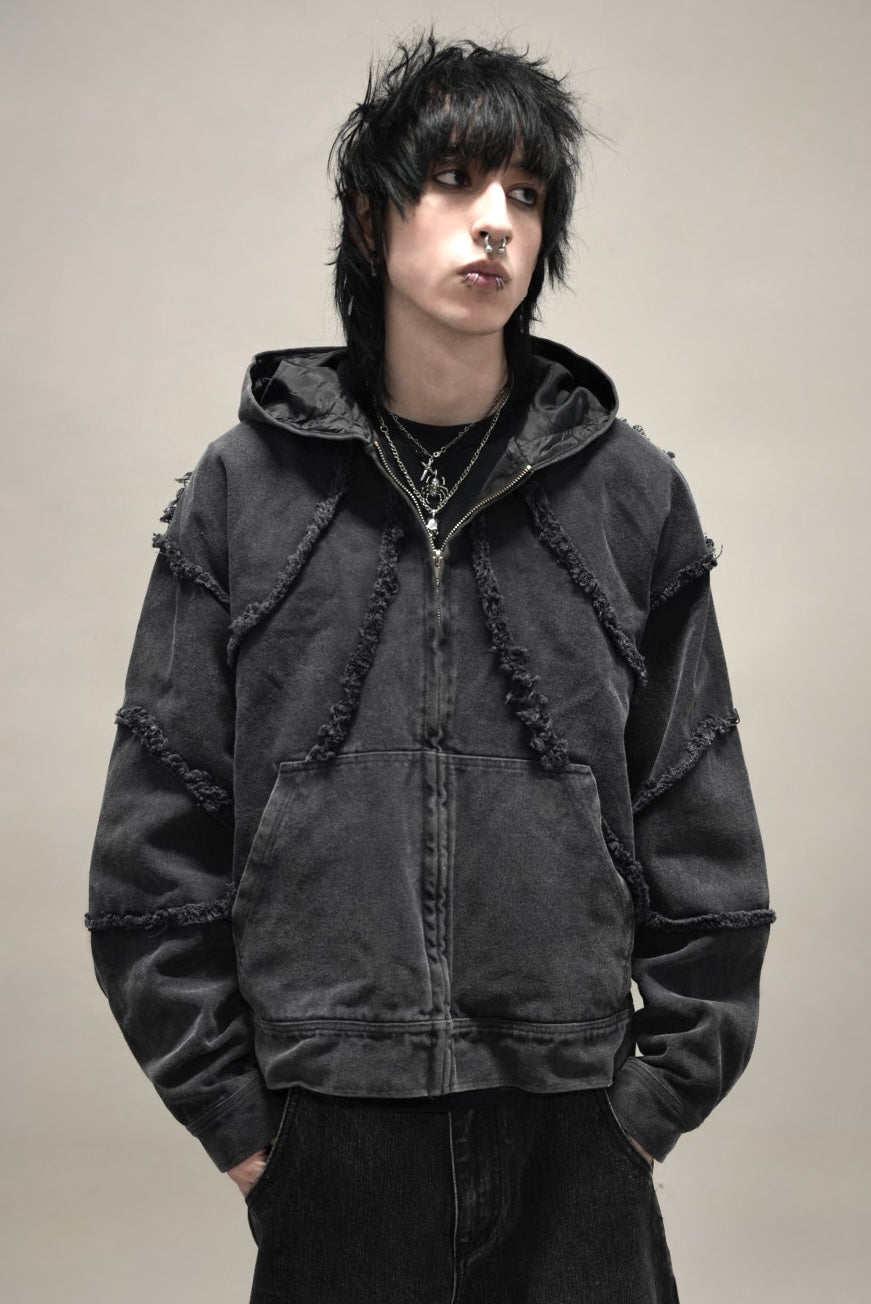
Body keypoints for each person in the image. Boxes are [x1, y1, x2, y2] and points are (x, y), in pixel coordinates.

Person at [85, 31, 775, 1304]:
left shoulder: (629, 494)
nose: (495, 221)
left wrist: (647, 1106)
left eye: (526, 193)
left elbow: (705, 827)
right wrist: (245, 1128)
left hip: (576, 1125)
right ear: (369, 217)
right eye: (455, 180)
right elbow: (149, 849)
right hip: (331, 1132)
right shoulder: (244, 491)